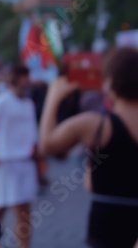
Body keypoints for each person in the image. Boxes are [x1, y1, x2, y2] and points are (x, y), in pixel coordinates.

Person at [39, 47, 138, 248]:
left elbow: (47, 145)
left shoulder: (95, 124)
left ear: (109, 83)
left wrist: (53, 97)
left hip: (107, 225)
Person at [0, 65, 38, 248]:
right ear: (15, 79)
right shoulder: (1, 101)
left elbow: (32, 133)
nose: (27, 81)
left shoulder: (29, 103)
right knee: (5, 206)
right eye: (24, 77)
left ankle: (21, 245)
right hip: (5, 162)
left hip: (26, 161)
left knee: (21, 209)